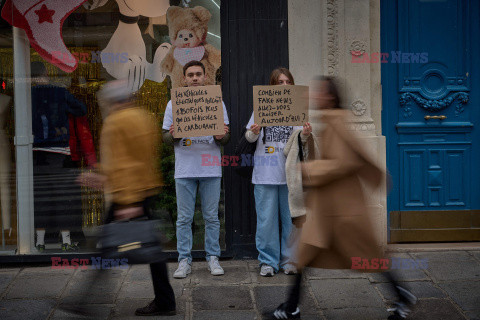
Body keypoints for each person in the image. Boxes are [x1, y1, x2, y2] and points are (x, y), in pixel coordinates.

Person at [269, 76, 417, 320]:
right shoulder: (331, 121)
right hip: (331, 208)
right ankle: (291, 307)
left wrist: (309, 170)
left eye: (319, 92)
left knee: (369, 257)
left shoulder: (337, 121)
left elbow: (343, 163)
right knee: (304, 255)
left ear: (330, 97)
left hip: (344, 211)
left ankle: (402, 295)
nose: (314, 96)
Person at [78, 79, 176, 316]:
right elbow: (142, 159)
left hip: (127, 195)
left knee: (111, 246)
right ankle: (165, 301)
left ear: (112, 101)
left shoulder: (115, 121)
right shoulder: (143, 116)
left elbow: (123, 163)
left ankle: (86, 301)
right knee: (150, 248)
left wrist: (128, 202)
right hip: (144, 189)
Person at [162, 60, 230, 278]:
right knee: (184, 218)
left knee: (211, 217)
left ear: (205, 77)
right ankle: (184, 260)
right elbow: (164, 136)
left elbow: (225, 137)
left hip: (210, 169)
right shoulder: (174, 103)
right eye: (190, 75)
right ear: (184, 78)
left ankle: (213, 257)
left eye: (198, 74)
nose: (194, 78)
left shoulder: (216, 102)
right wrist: (173, 135)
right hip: (185, 169)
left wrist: (222, 136)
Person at [245, 67, 312, 277]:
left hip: (290, 176)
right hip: (265, 174)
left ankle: (290, 260)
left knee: (291, 220)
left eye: (287, 82)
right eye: (279, 82)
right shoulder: (261, 108)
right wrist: (253, 132)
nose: (284, 85)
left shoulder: (298, 109)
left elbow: (302, 144)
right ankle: (267, 262)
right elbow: (248, 138)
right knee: (266, 221)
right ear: (272, 86)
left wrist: (307, 134)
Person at [31, 61, 86, 252]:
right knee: (64, 198)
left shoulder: (27, 95)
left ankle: (39, 241)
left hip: (36, 153)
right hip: (60, 152)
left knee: (40, 199)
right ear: (46, 72)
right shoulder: (59, 92)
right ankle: (66, 240)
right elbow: (81, 109)